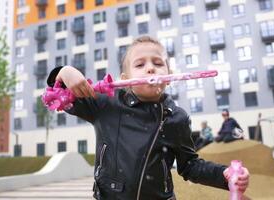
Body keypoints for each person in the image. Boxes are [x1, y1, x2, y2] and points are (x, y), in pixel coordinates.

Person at [47, 36, 249, 200]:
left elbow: (190, 166)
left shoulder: (176, 118)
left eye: (158, 63)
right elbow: (57, 96)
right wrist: (64, 72)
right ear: (125, 80)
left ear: (169, 76)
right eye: (140, 64)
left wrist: (224, 175)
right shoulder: (105, 104)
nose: (151, 68)